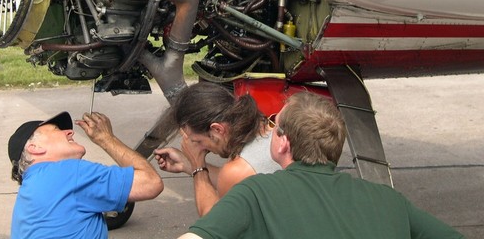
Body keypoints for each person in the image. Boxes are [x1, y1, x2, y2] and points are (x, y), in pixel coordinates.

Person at [178, 91, 464, 239]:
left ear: (283, 143)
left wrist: (196, 168)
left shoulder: (254, 192)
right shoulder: (390, 200)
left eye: (275, 127)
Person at [8, 110, 163, 239]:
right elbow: (151, 183)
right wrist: (106, 139)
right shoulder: (68, 174)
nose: (70, 132)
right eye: (56, 130)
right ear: (35, 147)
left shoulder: (29, 191)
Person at [154, 82, 280, 216]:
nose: (197, 148)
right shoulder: (266, 129)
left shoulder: (240, 168)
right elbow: (232, 180)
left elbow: (212, 223)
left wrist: (198, 167)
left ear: (217, 129)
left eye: (198, 141)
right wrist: (187, 163)